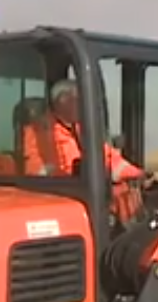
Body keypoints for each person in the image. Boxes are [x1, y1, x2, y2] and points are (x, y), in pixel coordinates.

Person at [21, 79, 148, 222]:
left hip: (82, 190)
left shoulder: (82, 129)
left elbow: (108, 157)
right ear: (63, 100)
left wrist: (138, 174)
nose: (84, 105)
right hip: (55, 197)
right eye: (78, 99)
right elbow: (43, 171)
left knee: (126, 193)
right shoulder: (39, 133)